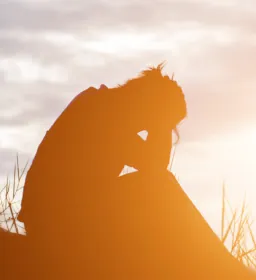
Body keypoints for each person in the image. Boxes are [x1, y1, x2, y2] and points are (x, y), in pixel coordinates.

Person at [17, 63, 187, 279]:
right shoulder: (104, 113)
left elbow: (153, 165)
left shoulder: (100, 104)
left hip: (56, 213)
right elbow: (156, 169)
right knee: (158, 185)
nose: (146, 129)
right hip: (58, 218)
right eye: (156, 123)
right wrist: (161, 128)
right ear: (150, 106)